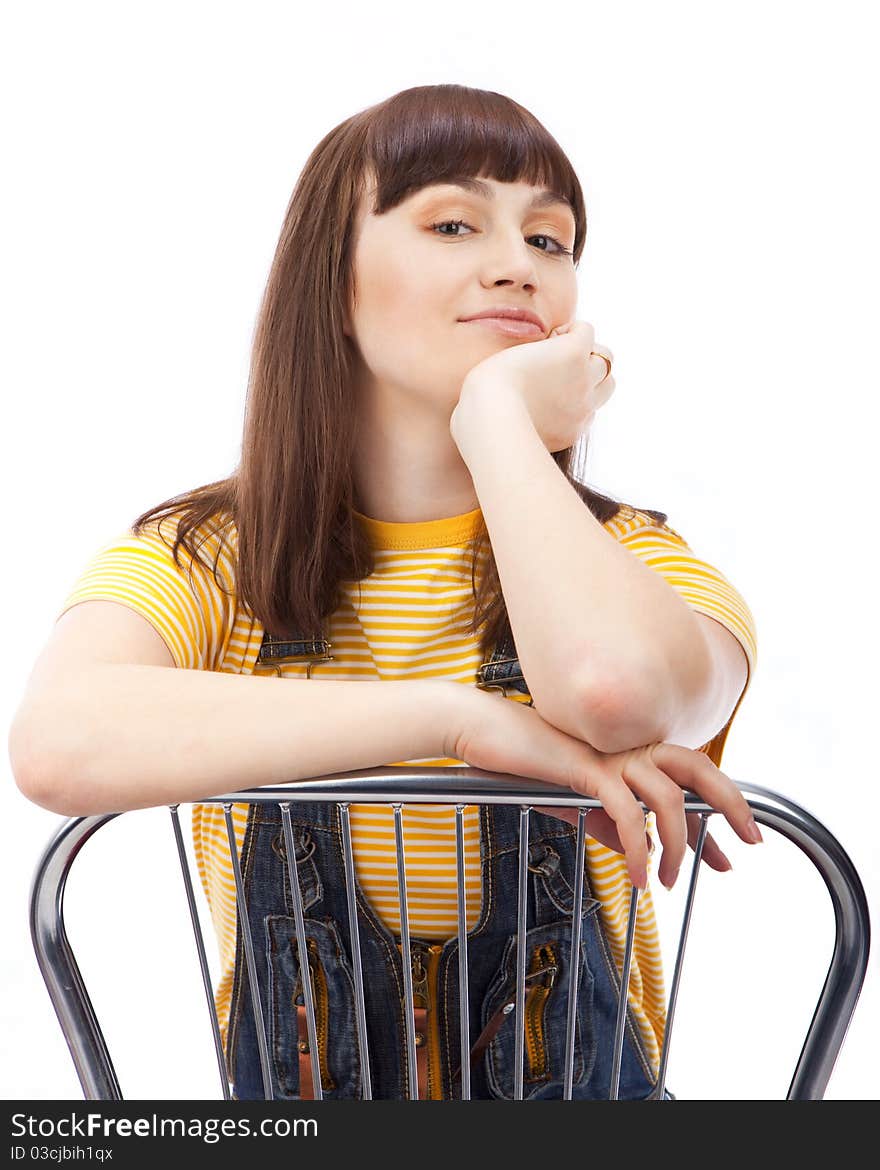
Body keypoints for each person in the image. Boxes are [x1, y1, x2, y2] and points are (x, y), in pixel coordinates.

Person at [9, 84, 760, 1100]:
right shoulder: (208, 558)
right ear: (331, 280)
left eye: (551, 241)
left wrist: (496, 413)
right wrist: (458, 723)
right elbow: (58, 744)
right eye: (452, 223)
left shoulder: (635, 563)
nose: (516, 266)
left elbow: (609, 687)